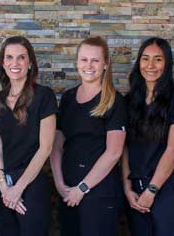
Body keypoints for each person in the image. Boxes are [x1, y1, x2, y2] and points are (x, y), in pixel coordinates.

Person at [51, 36, 127, 236]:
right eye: (84, 59)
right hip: (68, 189)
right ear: (77, 62)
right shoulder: (67, 98)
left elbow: (114, 152)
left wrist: (82, 188)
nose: (89, 65)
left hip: (99, 192)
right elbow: (57, 145)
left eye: (95, 60)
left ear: (105, 64)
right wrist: (60, 183)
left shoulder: (114, 101)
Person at [122, 38, 174, 236]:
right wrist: (128, 189)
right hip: (136, 190)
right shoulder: (128, 101)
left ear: (167, 63)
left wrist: (151, 191)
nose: (150, 65)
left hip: (166, 189)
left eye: (158, 59)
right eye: (145, 59)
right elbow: (124, 148)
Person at [0, 36, 57, 236]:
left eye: (21, 57)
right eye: (9, 57)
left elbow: (46, 148)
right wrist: (3, 187)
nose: (15, 63)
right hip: (5, 186)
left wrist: (18, 189)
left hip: (32, 185)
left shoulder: (44, 96)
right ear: (3, 63)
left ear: (30, 64)